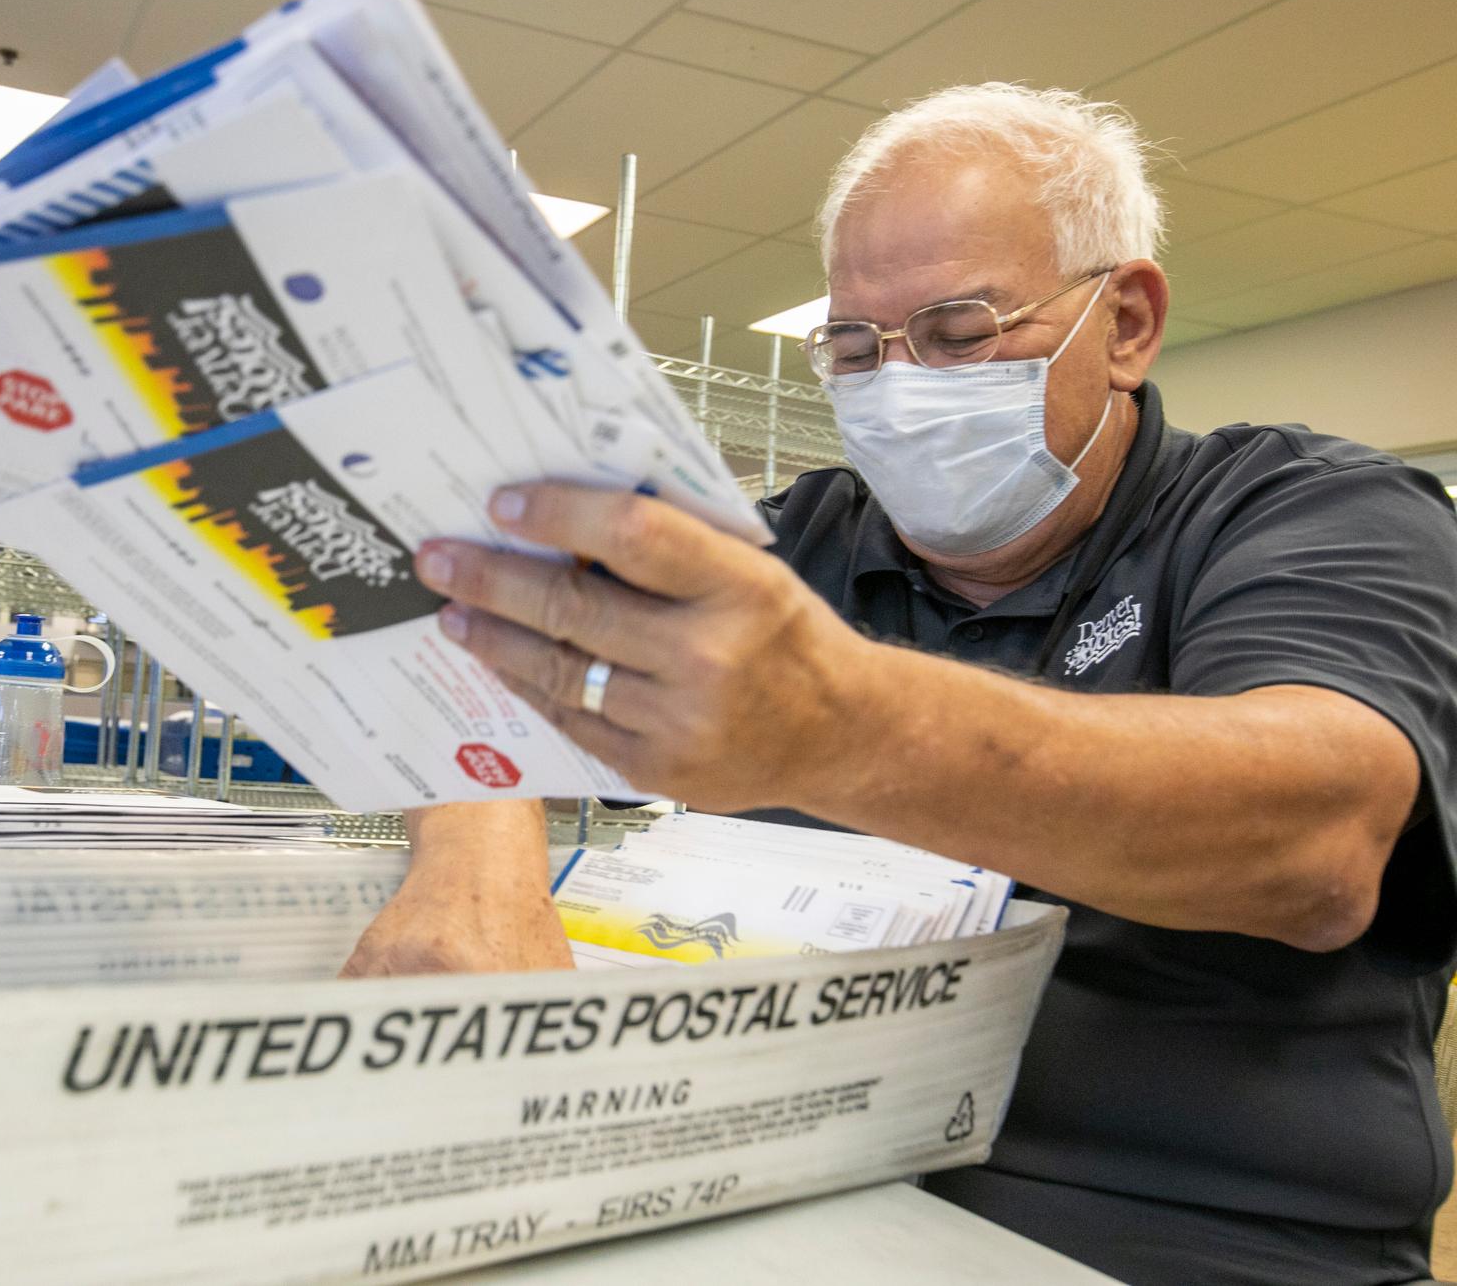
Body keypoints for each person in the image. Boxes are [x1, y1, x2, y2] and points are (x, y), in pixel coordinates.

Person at [341, 84, 1457, 1286]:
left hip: (1173, 1228)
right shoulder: (791, 546)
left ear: (1125, 321)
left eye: (956, 333)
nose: (895, 386)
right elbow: (477, 642)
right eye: (853, 347)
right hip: (774, 1182)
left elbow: (1312, 839)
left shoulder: (1309, 515)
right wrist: (475, 859)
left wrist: (835, 724)